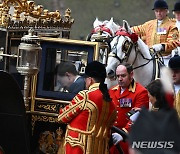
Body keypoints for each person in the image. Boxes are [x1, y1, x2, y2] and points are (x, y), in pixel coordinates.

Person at [58, 61, 117, 154]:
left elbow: (62, 117)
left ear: (90, 80)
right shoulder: (111, 103)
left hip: (78, 148)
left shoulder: (86, 95)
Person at [109, 63, 149, 154]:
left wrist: (123, 133)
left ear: (131, 74)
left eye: (123, 76)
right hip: (111, 137)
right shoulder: (112, 91)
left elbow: (138, 117)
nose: (119, 79)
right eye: (118, 76)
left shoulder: (140, 92)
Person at [132, 0, 179, 65]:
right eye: (157, 11)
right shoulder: (149, 24)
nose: (159, 13)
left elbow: (173, 43)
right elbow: (136, 29)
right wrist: (121, 29)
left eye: (161, 11)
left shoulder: (172, 25)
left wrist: (161, 46)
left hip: (165, 59)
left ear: (166, 11)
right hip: (150, 58)